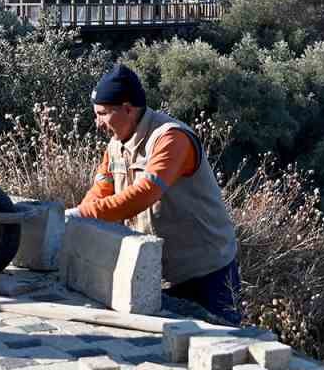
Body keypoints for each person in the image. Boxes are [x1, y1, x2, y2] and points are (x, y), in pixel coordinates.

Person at [66, 64, 242, 324]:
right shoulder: (116, 145)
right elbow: (100, 191)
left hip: (206, 272)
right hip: (158, 272)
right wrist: (79, 220)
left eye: (102, 114)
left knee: (223, 346)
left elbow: (145, 193)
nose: (98, 123)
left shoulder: (171, 138)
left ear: (127, 108)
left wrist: (81, 215)